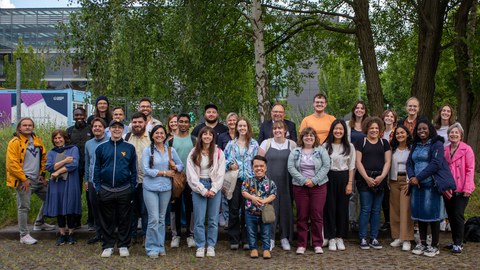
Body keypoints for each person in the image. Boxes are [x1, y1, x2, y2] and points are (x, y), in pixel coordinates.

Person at [6, 117, 55, 245]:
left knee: (51, 196)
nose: (27, 127)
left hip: (37, 179)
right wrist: (23, 179)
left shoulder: (37, 140)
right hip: (24, 181)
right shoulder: (15, 142)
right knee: (23, 207)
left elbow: (43, 158)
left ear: (33, 127)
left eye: (30, 125)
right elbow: (12, 164)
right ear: (19, 127)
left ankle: (39, 223)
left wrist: (42, 175)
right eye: (24, 125)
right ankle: (24, 235)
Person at [94, 119, 137, 258]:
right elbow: (97, 168)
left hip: (124, 189)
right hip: (106, 189)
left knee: (124, 219)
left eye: (119, 127)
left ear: (123, 130)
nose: (117, 130)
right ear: (109, 129)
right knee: (107, 219)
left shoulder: (129, 148)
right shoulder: (101, 148)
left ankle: (124, 244)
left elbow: (133, 169)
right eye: (114, 127)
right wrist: (98, 187)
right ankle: (108, 245)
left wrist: (131, 187)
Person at [407, 119, 448, 257]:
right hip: (416, 186)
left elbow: (436, 163)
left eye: (424, 128)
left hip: (431, 185)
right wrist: (413, 177)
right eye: (419, 129)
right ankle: (422, 243)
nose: (421, 131)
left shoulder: (437, 144)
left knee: (433, 215)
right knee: (420, 215)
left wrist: (419, 177)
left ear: (430, 129)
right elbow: (409, 163)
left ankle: (434, 245)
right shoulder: (415, 145)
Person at [142, 125, 184, 258]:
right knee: (153, 219)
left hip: (166, 188)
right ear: (152, 135)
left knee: (161, 219)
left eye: (161, 133)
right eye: (156, 133)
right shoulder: (148, 150)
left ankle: (160, 246)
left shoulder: (170, 150)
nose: (159, 135)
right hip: (150, 188)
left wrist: (175, 166)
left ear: (165, 135)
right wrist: (164, 172)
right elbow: (146, 170)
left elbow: (181, 165)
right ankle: (151, 247)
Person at [288, 127, 330, 254]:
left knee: (317, 215)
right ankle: (302, 244)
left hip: (319, 187)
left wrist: (314, 180)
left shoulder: (321, 150)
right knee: (302, 215)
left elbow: (326, 166)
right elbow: (290, 167)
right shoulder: (295, 151)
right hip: (300, 187)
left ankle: (317, 243)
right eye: (306, 135)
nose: (309, 138)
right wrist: (304, 180)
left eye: (311, 135)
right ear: (302, 138)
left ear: (315, 137)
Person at [187, 126, 226, 258]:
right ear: (201, 136)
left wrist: (214, 189)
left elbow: (221, 173)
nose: (207, 136)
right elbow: (191, 174)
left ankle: (210, 246)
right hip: (199, 186)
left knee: (213, 219)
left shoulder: (218, 152)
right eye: (205, 134)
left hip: (214, 185)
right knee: (199, 219)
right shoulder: (193, 152)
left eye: (210, 134)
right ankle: (200, 246)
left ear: (213, 137)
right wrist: (202, 190)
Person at [354, 116, 391, 250]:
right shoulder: (360, 141)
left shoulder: (384, 143)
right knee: (365, 209)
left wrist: (382, 176)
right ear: (367, 129)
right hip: (364, 180)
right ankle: (363, 237)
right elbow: (358, 161)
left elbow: (388, 161)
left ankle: (374, 237)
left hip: (380, 179)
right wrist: (366, 178)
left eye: (376, 128)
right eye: (371, 128)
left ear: (380, 129)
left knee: (376, 210)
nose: (374, 130)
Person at [258, 121, 296, 251]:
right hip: (270, 183)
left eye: (280, 128)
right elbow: (259, 163)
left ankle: (284, 237)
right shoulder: (266, 143)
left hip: (287, 182)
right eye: (275, 128)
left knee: (286, 209)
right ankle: (270, 238)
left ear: (285, 130)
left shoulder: (292, 144)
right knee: (270, 210)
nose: (277, 130)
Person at [224, 117, 259, 250]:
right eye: (240, 126)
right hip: (235, 180)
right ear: (236, 128)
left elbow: (258, 161)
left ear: (248, 127)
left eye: (244, 126)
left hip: (249, 181)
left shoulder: (254, 144)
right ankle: (234, 238)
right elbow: (224, 161)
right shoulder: (230, 144)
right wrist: (229, 165)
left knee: (248, 210)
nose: (242, 128)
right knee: (233, 210)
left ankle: (246, 239)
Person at [44, 130, 82, 245]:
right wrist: (65, 161)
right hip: (57, 183)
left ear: (65, 138)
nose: (58, 140)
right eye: (55, 138)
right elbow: (49, 167)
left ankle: (71, 233)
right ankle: (61, 234)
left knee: (70, 206)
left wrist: (58, 171)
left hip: (70, 181)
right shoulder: (51, 152)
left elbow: (74, 164)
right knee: (59, 206)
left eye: (60, 138)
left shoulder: (73, 149)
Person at [323, 120, 355, 251]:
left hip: (344, 177)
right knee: (329, 208)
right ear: (332, 130)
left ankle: (339, 237)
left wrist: (350, 183)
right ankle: (330, 237)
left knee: (342, 208)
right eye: (336, 129)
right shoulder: (325, 146)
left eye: (341, 129)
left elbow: (351, 167)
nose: (338, 131)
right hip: (329, 177)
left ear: (344, 131)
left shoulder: (350, 147)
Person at [444, 123, 475, 254]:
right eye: (451, 132)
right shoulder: (445, 150)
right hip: (448, 189)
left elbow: (470, 169)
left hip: (462, 188)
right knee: (450, 216)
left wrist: (467, 188)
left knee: (458, 215)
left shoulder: (467, 149)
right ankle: (454, 240)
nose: (454, 134)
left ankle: (459, 243)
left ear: (461, 135)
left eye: (456, 133)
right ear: (448, 135)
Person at [168, 113, 197, 249]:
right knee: (175, 207)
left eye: (186, 122)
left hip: (191, 178)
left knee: (191, 206)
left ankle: (190, 235)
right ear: (177, 123)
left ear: (189, 124)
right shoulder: (171, 141)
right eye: (181, 121)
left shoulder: (194, 140)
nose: (183, 124)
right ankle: (176, 235)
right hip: (175, 179)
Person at [242, 155, 277, 259]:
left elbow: (273, 195)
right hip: (250, 212)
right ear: (252, 168)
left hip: (265, 214)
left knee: (266, 232)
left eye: (261, 166)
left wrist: (264, 201)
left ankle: (266, 249)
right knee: (251, 232)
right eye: (256, 166)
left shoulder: (270, 182)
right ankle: (253, 249)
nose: (259, 168)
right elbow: (243, 192)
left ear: (266, 168)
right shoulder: (248, 181)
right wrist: (253, 198)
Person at [124, 112, 151, 244]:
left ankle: (146, 235)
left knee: (146, 210)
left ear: (145, 123)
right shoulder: (127, 137)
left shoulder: (151, 137)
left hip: (148, 180)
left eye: (140, 122)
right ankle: (132, 235)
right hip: (131, 180)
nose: (137, 125)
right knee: (132, 210)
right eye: (134, 122)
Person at [388, 124, 414, 251]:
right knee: (395, 209)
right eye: (397, 133)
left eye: (402, 133)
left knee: (406, 210)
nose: (400, 135)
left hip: (406, 181)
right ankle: (398, 236)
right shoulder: (392, 149)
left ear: (407, 134)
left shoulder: (412, 149)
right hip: (394, 180)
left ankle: (407, 238)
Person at [84, 117, 109, 245]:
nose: (97, 128)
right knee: (95, 208)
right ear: (92, 129)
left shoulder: (110, 141)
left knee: (107, 209)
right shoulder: (88, 144)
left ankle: (108, 234)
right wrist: (87, 180)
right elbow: (88, 163)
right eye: (95, 126)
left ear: (104, 128)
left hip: (107, 181)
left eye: (100, 126)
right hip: (93, 180)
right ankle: (99, 233)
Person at [66, 107, 92, 230]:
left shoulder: (90, 129)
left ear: (85, 115)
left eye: (81, 115)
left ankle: (91, 220)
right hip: (74, 168)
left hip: (88, 167)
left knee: (89, 194)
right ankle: (75, 221)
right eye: (76, 115)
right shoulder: (70, 131)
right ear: (73, 116)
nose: (79, 117)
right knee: (75, 194)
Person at [346, 101, 367, 233]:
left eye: (362, 108)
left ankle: (364, 219)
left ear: (365, 111)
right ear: (354, 110)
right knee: (352, 193)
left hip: (366, 162)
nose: (359, 110)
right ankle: (352, 219)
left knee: (364, 192)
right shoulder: (348, 124)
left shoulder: (369, 124)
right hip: (352, 162)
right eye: (357, 108)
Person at [216, 112, 238, 228]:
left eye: (234, 120)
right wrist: (228, 166)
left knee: (236, 196)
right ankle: (225, 218)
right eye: (230, 120)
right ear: (226, 122)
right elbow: (219, 155)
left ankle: (236, 220)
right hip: (226, 170)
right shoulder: (222, 137)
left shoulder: (241, 135)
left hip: (239, 171)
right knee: (225, 195)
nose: (232, 122)